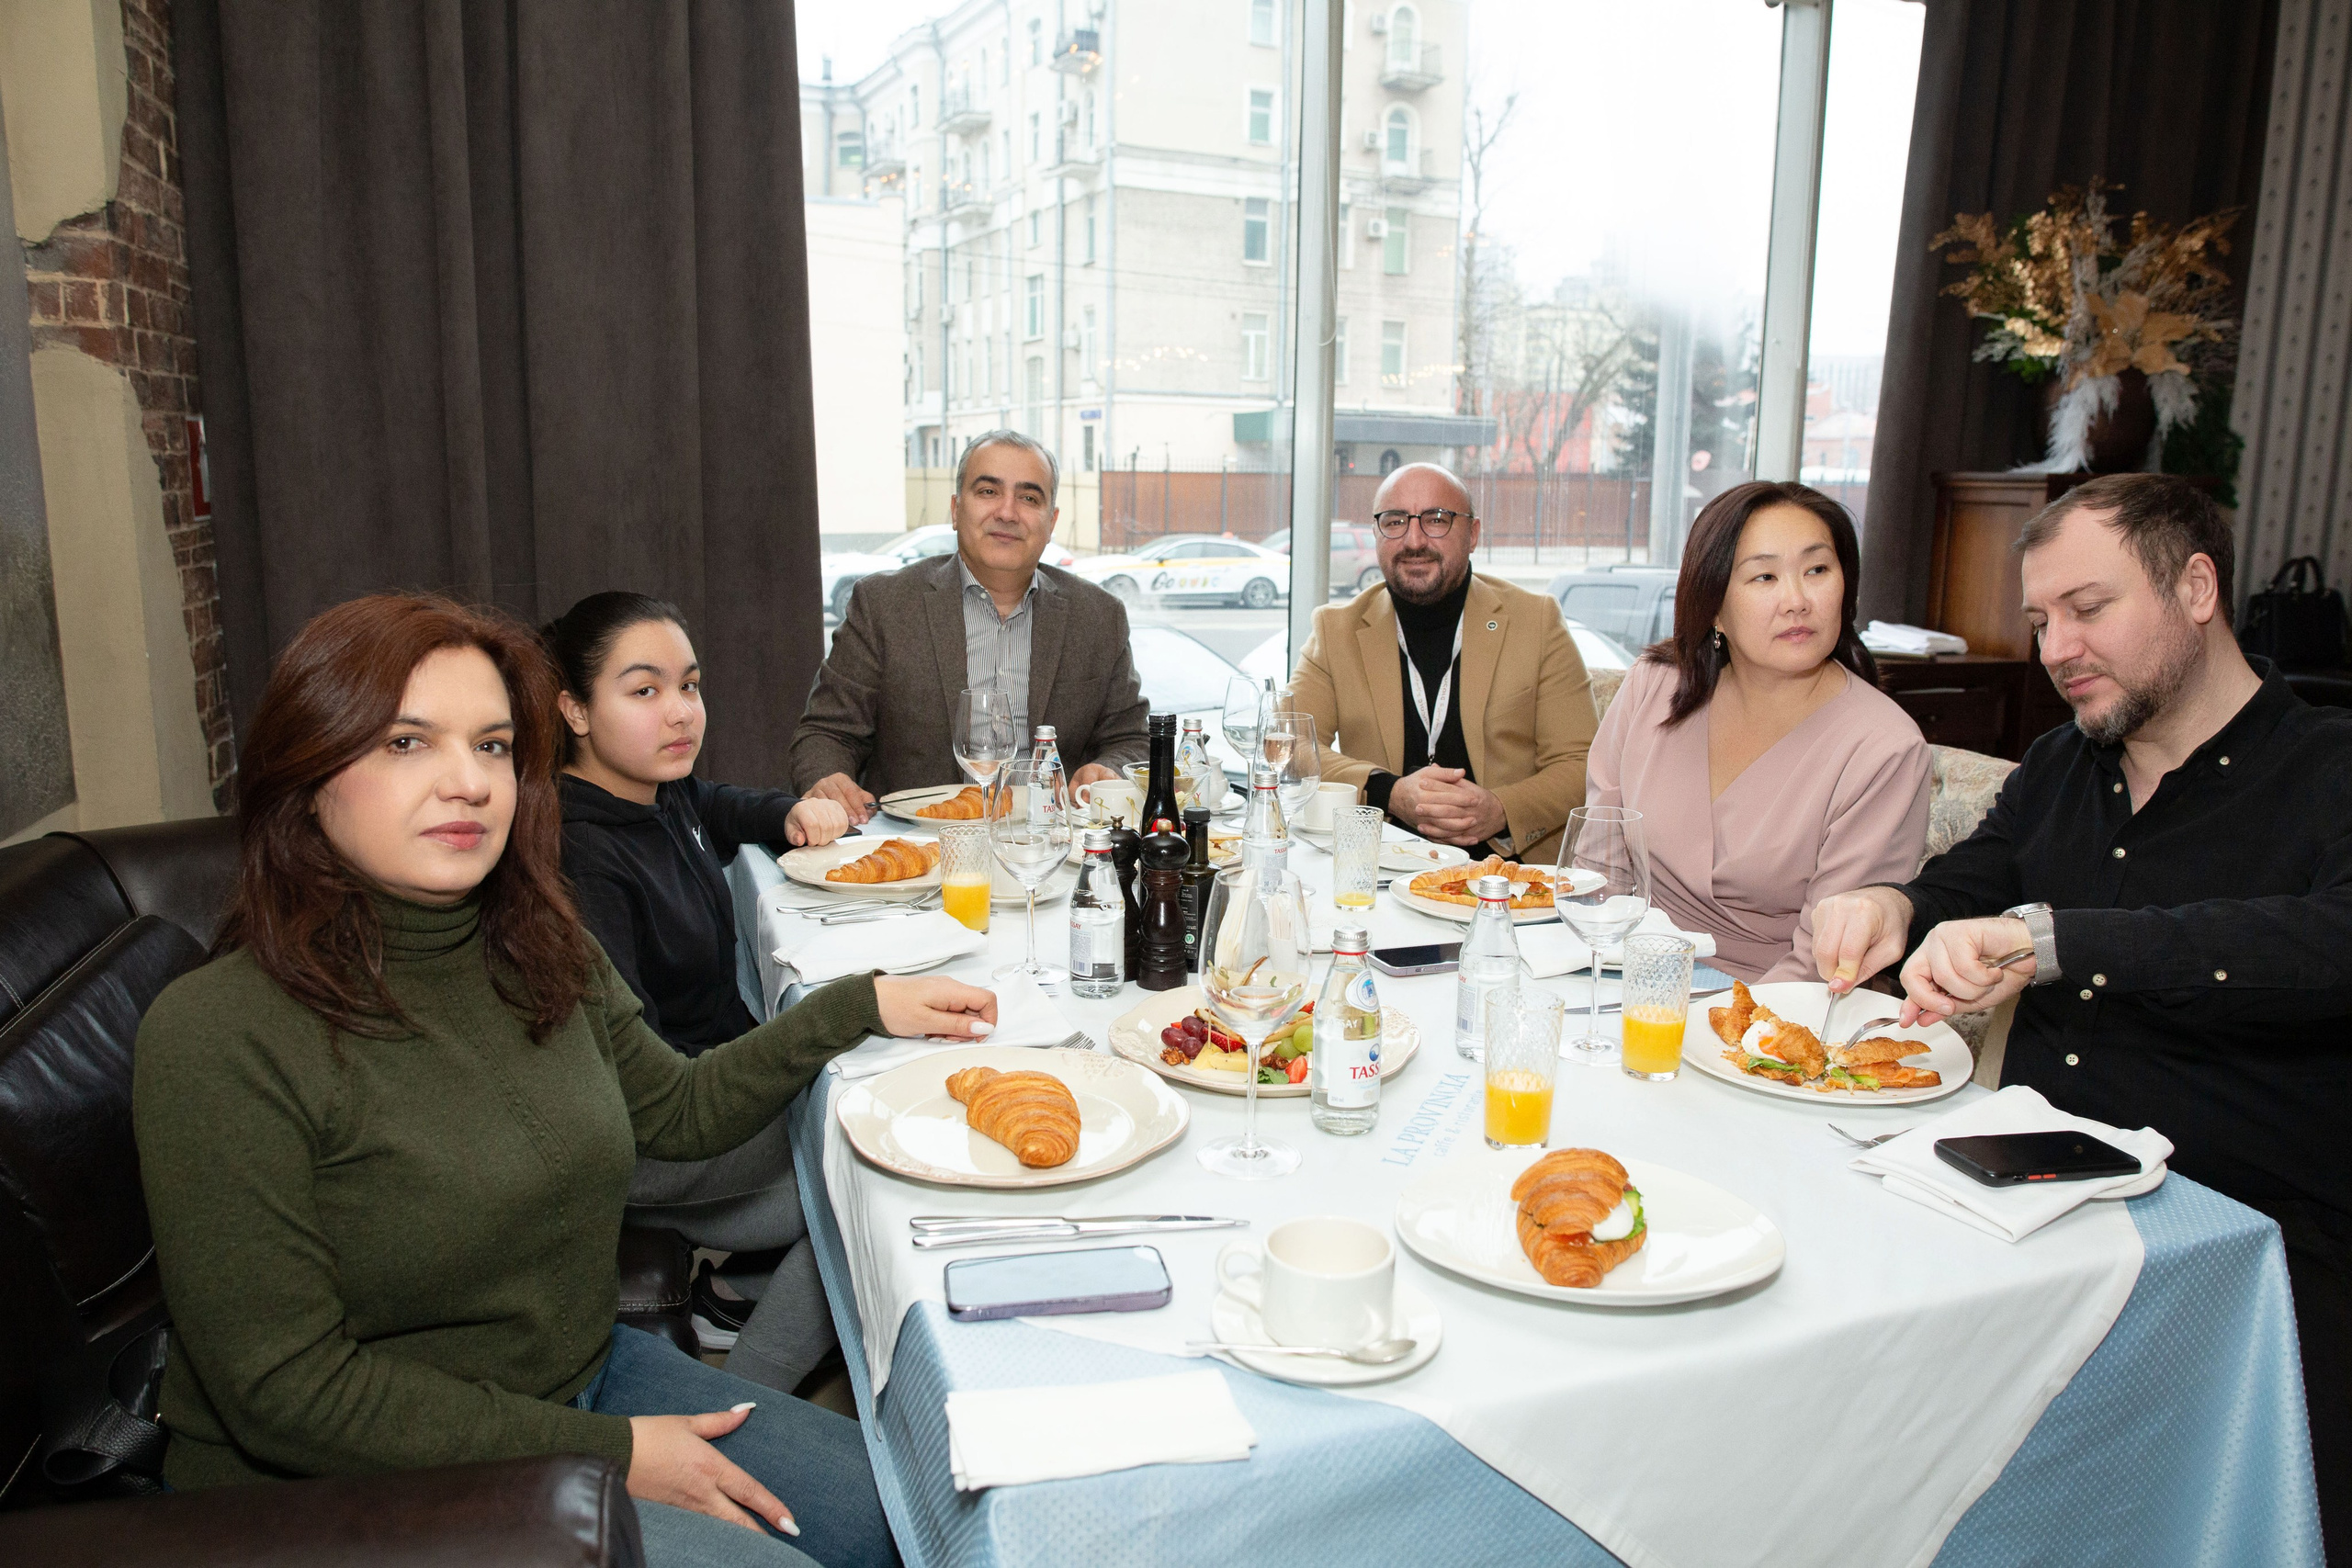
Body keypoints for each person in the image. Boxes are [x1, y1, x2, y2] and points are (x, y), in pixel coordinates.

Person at [136, 592, 996, 1567]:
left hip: (580, 1378)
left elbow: (677, 1105)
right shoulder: (218, 1035)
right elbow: (286, 1392)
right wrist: (612, 1454)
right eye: (408, 744)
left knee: (916, 1519)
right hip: (348, 1482)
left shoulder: (539, 946)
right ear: (308, 770)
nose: (467, 781)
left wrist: (853, 1007)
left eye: (494, 745)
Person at [1809, 474, 2352, 1559]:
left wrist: (2061, 941)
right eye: (2040, 620)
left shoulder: (2329, 768)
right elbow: (1970, 883)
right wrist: (1893, 906)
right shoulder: (2065, 763)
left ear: (2195, 587)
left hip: (2247, 1246)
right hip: (2030, 1199)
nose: (2056, 647)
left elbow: (2325, 942)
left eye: (2087, 608)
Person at [548, 591, 846, 1394]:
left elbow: (716, 808)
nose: (680, 712)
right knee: (861, 1187)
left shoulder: (653, 787)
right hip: (654, 1134)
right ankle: (746, 1404)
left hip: (703, 1088)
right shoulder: (581, 855)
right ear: (574, 709)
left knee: (862, 1102)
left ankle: (732, 1295)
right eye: (644, 690)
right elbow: (644, 1089)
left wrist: (790, 813)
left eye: (689, 684)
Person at [1586, 481, 1929, 982]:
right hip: (1622, 975)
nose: (1796, 600)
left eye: (1817, 570)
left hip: (1771, 1011)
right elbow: (1601, 866)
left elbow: (1824, 963)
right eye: (1764, 576)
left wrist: (1712, 1033)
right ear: (1715, 607)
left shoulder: (1885, 750)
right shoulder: (1654, 685)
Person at [790, 430, 1148, 819]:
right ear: (957, 509)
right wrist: (829, 778)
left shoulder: (1098, 617)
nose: (1008, 513)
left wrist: (1108, 770)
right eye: (988, 492)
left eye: (1029, 498)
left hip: (1047, 850)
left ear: (1051, 522)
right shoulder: (885, 606)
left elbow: (1130, 738)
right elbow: (826, 734)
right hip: (919, 849)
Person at [1288, 461, 1596, 862]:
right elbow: (1288, 744)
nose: (1414, 540)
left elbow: (1582, 762)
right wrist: (1388, 793)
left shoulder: (1536, 622)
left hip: (1507, 880)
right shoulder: (1336, 630)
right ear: (1378, 533)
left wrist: (1500, 810)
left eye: (1436, 519)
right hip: (1378, 870)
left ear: (1473, 534)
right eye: (1395, 521)